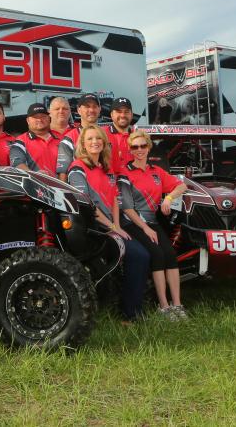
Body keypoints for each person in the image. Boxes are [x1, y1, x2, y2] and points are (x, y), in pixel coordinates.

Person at [67, 126, 149, 324]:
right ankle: (130, 314)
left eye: (98, 138)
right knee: (139, 255)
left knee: (141, 254)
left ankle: (133, 308)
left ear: (104, 142)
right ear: (83, 144)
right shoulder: (77, 168)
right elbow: (87, 205)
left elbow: (114, 200)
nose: (95, 142)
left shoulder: (107, 168)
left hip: (110, 226)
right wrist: (112, 228)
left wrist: (117, 225)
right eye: (90, 139)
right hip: (92, 228)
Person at [117, 130, 189, 320]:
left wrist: (169, 198)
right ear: (130, 150)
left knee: (171, 255)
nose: (139, 150)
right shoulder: (124, 173)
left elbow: (182, 186)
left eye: (143, 146)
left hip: (152, 221)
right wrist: (145, 228)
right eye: (135, 147)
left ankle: (178, 305)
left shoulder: (156, 171)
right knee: (156, 255)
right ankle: (164, 307)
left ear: (148, 147)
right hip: (132, 223)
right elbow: (127, 208)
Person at [56, 93, 102, 181]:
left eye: (94, 106)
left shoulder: (106, 136)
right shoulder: (68, 140)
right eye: (87, 106)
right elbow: (63, 176)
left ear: (99, 109)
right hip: (81, 191)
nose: (91, 110)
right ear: (79, 110)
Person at [10, 103, 60, 175]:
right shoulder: (19, 142)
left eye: (43, 116)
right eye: (35, 117)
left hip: (62, 185)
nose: (39, 119)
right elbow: (17, 164)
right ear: (28, 120)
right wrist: (34, 175)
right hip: (34, 185)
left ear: (49, 118)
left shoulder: (62, 139)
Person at [106, 97, 136, 175]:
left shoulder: (138, 136)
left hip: (133, 183)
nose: (122, 115)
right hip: (109, 184)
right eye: (118, 112)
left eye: (126, 112)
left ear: (132, 115)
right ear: (111, 114)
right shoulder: (101, 134)